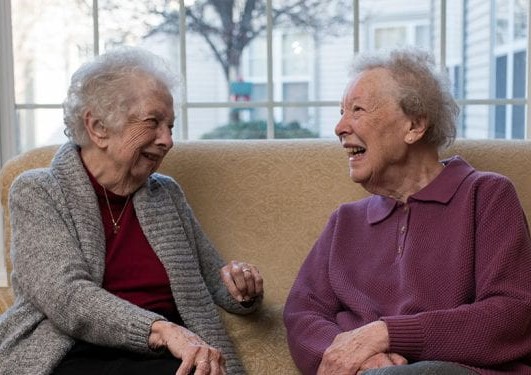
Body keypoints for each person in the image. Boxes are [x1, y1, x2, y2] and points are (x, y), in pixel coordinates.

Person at [0, 47, 263, 375]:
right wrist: (162, 330)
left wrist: (243, 288)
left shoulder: (166, 195)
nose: (167, 140)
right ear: (98, 127)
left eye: (170, 126)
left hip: (165, 358)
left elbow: (213, 279)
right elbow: (67, 298)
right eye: (153, 122)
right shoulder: (38, 191)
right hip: (72, 352)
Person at [283, 47, 531, 375]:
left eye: (357, 110)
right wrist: (361, 356)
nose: (340, 126)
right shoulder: (346, 221)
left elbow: (513, 313)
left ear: (414, 125)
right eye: (341, 111)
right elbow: (301, 314)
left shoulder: (485, 195)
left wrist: (385, 334)